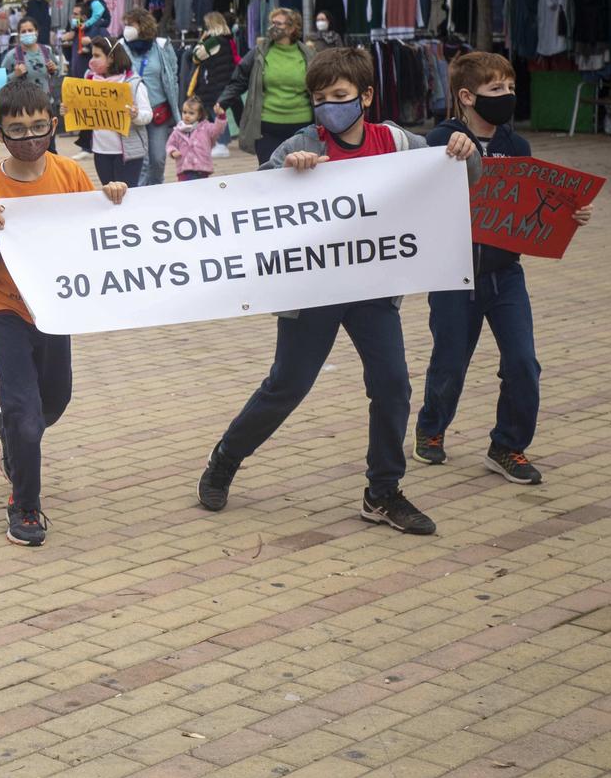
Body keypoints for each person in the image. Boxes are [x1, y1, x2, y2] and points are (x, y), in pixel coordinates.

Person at [196, 45, 482, 537]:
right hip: (313, 290)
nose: (329, 105)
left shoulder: (395, 141)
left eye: (340, 95)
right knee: (287, 385)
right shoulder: (300, 144)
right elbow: (255, 200)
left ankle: (383, 491)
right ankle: (226, 458)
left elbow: (459, 178)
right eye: (320, 97)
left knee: (392, 385)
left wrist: (467, 152)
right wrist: (286, 173)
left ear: (366, 96)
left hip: (373, 290)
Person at [414, 52, 590, 486]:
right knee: (450, 362)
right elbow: (418, 196)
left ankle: (507, 446)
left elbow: (532, 205)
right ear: (467, 96)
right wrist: (451, 155)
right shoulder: (441, 139)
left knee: (523, 363)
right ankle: (431, 429)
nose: (507, 96)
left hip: (505, 274)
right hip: (454, 276)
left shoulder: (517, 145)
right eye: (497, 90)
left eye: (510, 88)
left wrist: (569, 214)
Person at [0, 80, 131, 546]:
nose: (29, 137)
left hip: (55, 310)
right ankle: (25, 505)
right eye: (17, 130)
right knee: (26, 414)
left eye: (39, 127)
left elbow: (95, 229)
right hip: (7, 311)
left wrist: (113, 198)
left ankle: (10, 428)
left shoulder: (68, 175)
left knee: (52, 402)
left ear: (53, 125)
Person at [217, 7, 316, 165]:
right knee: (270, 174)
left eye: (278, 23)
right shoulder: (259, 52)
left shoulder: (308, 55)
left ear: (291, 28)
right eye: (272, 23)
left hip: (302, 128)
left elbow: (320, 84)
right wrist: (223, 101)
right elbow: (239, 79)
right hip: (267, 128)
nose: (273, 27)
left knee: (302, 176)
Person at [122, 10, 181, 187]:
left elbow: (172, 75)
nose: (127, 29)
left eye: (131, 24)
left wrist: (175, 107)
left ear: (143, 26)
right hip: (133, 113)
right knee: (142, 161)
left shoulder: (161, 46)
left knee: (157, 158)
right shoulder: (120, 46)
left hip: (157, 112)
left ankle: (156, 190)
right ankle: (140, 197)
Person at [82, 37, 151, 189]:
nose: (92, 60)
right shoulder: (89, 82)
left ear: (112, 57)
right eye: (92, 55)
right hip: (100, 151)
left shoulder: (132, 83)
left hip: (127, 154)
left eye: (97, 55)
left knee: (127, 196)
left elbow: (147, 114)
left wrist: (136, 115)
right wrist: (69, 110)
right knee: (109, 194)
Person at [1, 15, 65, 153]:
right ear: (18, 34)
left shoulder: (46, 51)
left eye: (30, 30)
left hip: (45, 104)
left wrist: (54, 70)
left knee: (49, 144)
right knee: (28, 145)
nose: (27, 34)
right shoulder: (12, 55)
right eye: (23, 31)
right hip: (22, 108)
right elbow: (0, 81)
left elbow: (58, 72)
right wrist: (14, 75)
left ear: (37, 31)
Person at [185, 12, 237, 154]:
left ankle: (222, 143)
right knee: (218, 111)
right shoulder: (227, 39)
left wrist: (201, 41)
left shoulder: (213, 41)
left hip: (213, 82)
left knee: (215, 112)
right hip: (223, 80)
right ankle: (220, 141)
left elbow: (197, 56)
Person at [164, 95, 224, 182]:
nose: (187, 115)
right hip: (184, 169)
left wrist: (221, 117)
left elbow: (217, 130)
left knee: (202, 191)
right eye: (184, 112)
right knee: (186, 191)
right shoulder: (178, 130)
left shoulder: (206, 127)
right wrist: (173, 151)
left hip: (202, 168)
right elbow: (170, 144)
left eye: (191, 113)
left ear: (199, 115)